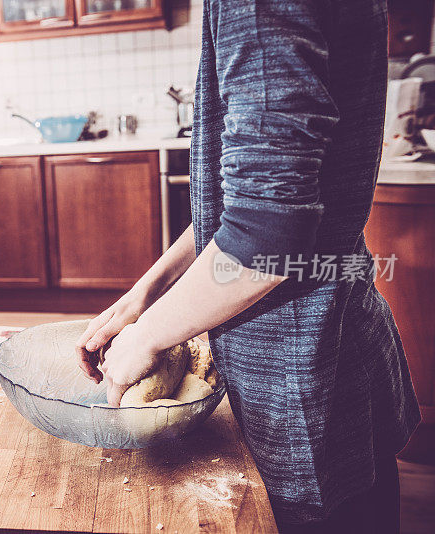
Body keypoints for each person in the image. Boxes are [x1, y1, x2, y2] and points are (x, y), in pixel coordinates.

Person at [76, 1, 420, 532]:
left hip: (298, 382)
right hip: (340, 349)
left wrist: (147, 336)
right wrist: (147, 295)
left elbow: (266, 231)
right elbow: (243, 205)